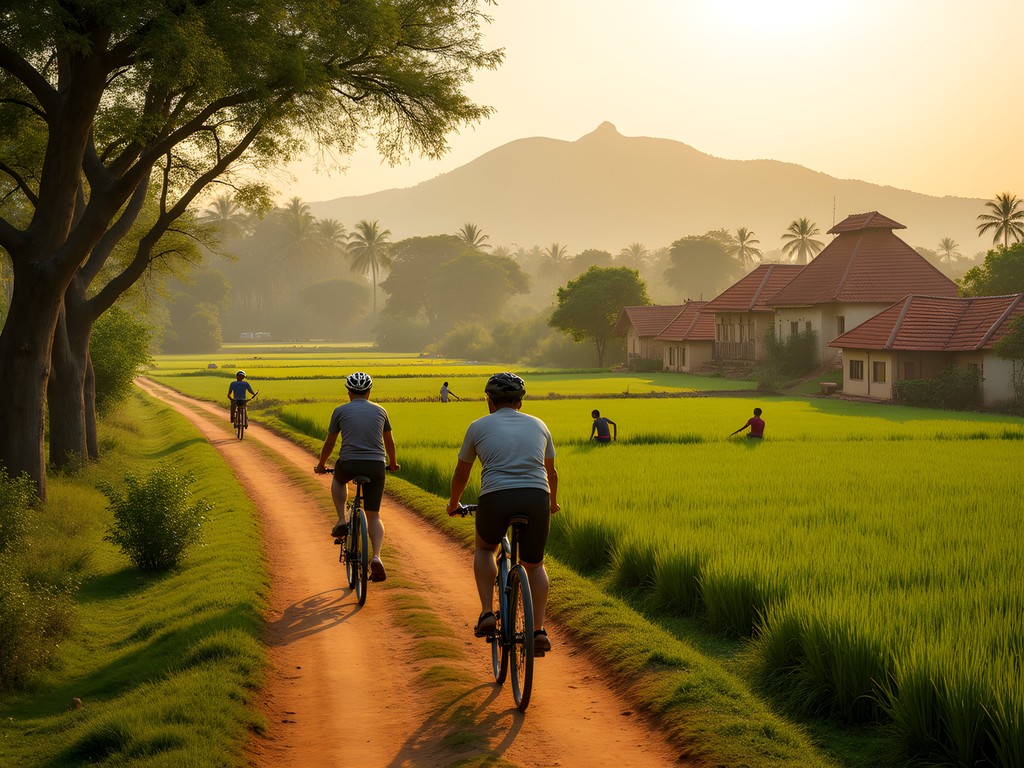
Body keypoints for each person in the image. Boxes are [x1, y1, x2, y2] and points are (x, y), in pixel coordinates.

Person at [446, 372, 559, 655]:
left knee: (485, 549)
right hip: (536, 496)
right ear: (520, 402)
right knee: (535, 565)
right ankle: (539, 630)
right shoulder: (539, 425)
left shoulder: (478, 426)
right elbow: (552, 473)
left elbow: (461, 473)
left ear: (489, 401)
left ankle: (487, 613)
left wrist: (453, 503)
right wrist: (553, 504)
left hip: (496, 497)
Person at [314, 372, 399, 583]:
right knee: (374, 516)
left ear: (349, 392)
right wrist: (393, 463)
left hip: (349, 463)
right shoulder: (381, 411)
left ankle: (342, 519)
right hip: (376, 466)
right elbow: (389, 442)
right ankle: (376, 557)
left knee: (338, 479)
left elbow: (330, 442)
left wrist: (321, 464)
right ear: (369, 392)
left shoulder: (340, 411)